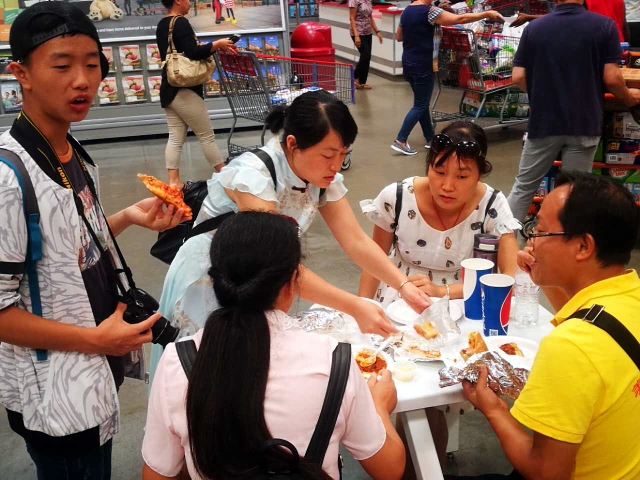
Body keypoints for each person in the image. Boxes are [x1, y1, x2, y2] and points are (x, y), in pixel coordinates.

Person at [0, 3, 187, 479]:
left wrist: (125, 218)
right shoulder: (7, 177)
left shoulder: (70, 149)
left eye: (92, 64)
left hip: (93, 370)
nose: (82, 80)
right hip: (53, 390)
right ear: (20, 73)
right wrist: (93, 340)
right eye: (62, 65)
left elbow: (65, 245)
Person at [148, 90, 432, 384]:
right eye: (328, 155)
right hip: (208, 277)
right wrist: (354, 306)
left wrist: (403, 285)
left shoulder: (320, 177)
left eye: (343, 154)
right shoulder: (254, 176)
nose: (336, 166)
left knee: (245, 375)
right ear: (293, 144)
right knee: (204, 373)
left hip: (255, 280)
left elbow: (356, 240)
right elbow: (276, 264)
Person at [142, 212, 406, 480]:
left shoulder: (179, 360)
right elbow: (390, 469)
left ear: (216, 281)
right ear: (291, 283)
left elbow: (157, 474)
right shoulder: (333, 361)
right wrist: (379, 407)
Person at [462, 171, 640, 480]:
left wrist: (493, 408)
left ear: (583, 246)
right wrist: (543, 276)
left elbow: (546, 472)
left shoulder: (570, 347)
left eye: (540, 231)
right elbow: (590, 318)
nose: (530, 241)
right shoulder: (628, 294)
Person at [506, 0, 640, 223]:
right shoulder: (603, 26)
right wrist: (628, 97)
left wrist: (542, 93)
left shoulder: (535, 28)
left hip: (544, 122)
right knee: (575, 192)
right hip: (584, 121)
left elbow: (518, 77)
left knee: (524, 186)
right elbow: (612, 78)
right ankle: (565, 239)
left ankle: (503, 239)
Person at [362, 121, 520, 306]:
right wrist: (361, 309)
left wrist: (441, 291)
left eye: (462, 176)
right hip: (399, 296)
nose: (447, 186)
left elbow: (512, 278)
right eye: (439, 172)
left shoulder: (491, 205)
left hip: (464, 300)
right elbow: (373, 262)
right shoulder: (397, 197)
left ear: (480, 174)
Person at [391, 2, 504, 156]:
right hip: (424, 64)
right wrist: (486, 14)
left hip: (409, 62)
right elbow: (461, 19)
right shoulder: (430, 12)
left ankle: (430, 138)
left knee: (422, 103)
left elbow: (399, 36)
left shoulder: (406, 11)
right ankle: (400, 140)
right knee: (420, 105)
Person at [156, 0, 236, 189]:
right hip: (185, 89)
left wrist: (214, 46)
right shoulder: (180, 22)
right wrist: (217, 44)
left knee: (175, 137)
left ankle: (174, 181)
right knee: (206, 135)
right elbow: (193, 52)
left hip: (169, 87)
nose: (189, 2)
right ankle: (227, 178)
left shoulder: (162, 24)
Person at [512, 0, 629, 42]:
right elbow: (624, 28)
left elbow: (563, 17)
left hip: (599, 49)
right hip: (620, 49)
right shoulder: (620, 1)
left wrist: (529, 17)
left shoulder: (586, 1)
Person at [349, 0, 383, 90]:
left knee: (367, 57)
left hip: (368, 32)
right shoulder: (353, 1)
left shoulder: (368, 0)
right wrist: (356, 35)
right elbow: (352, 18)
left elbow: (370, 17)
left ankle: (362, 82)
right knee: (365, 56)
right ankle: (354, 77)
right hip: (358, 32)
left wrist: (377, 31)